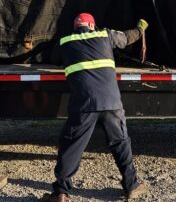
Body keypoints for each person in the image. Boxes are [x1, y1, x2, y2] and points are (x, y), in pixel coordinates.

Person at [42, 13, 150, 202]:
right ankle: (131, 185)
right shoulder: (105, 35)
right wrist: (140, 29)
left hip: (83, 104)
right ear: (92, 25)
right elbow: (126, 38)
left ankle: (61, 192)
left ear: (75, 27)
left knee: (72, 146)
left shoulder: (65, 42)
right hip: (110, 102)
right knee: (120, 143)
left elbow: (52, 58)